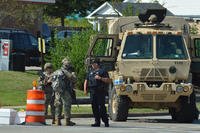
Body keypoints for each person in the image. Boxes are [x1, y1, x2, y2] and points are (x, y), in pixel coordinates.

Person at [84, 59, 112, 127]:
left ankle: (105, 121)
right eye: (92, 64)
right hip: (92, 91)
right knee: (94, 107)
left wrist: (100, 78)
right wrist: (85, 89)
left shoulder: (103, 71)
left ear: (97, 64)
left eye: (93, 63)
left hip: (100, 92)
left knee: (101, 107)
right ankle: (97, 122)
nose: (92, 65)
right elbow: (86, 80)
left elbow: (109, 80)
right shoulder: (90, 72)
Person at [51, 57, 76, 126]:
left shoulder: (57, 71)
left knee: (58, 105)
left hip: (57, 91)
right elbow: (74, 79)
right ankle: (67, 121)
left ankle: (57, 121)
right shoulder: (67, 72)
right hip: (66, 90)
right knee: (67, 105)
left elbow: (51, 79)